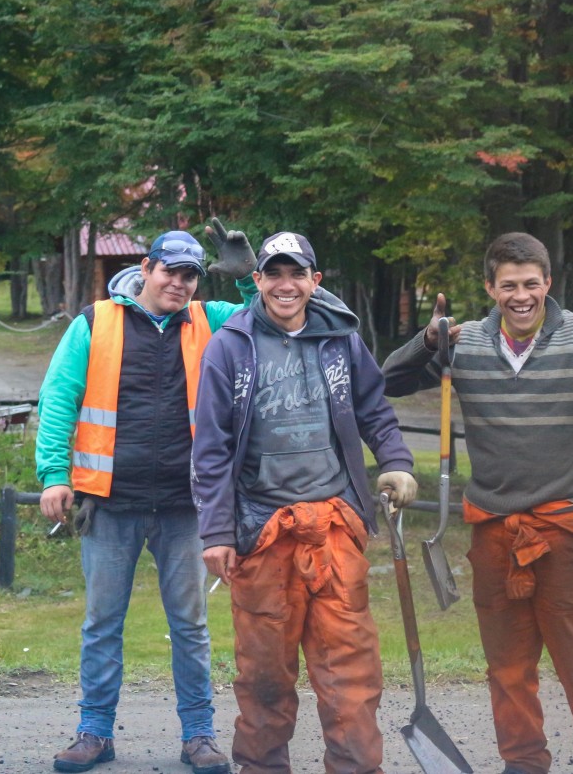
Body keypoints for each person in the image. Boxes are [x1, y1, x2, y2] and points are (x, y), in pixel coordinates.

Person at [382, 232, 573, 774]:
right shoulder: (466, 342)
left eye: (530, 284)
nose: (520, 296)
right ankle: (523, 763)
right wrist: (427, 341)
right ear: (490, 287)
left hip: (567, 531)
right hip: (494, 532)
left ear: (547, 283)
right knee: (507, 665)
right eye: (508, 285)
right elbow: (390, 381)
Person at [191, 231, 419, 774]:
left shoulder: (341, 340)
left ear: (315, 281)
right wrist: (217, 532)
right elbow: (211, 447)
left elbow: (374, 410)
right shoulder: (231, 345)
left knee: (349, 674)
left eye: (297, 274)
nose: (286, 285)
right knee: (264, 676)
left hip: (336, 527)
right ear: (260, 281)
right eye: (275, 274)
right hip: (261, 530)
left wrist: (397, 462)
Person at [36, 220, 259, 774]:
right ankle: (94, 733)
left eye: (191, 275)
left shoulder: (214, 321)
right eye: (171, 271)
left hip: (188, 509)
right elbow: (58, 399)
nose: (180, 283)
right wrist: (53, 475)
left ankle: (199, 736)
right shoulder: (95, 322)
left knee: (190, 626)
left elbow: (281, 317)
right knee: (101, 624)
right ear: (146, 271)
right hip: (110, 506)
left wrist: (250, 280)